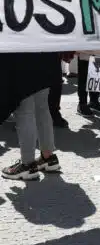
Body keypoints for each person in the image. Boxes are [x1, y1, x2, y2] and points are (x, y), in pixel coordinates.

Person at [1, 52, 63, 180]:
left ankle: (28, 164)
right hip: (44, 53)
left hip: (20, 57)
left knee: (24, 110)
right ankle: (48, 157)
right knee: (42, 107)